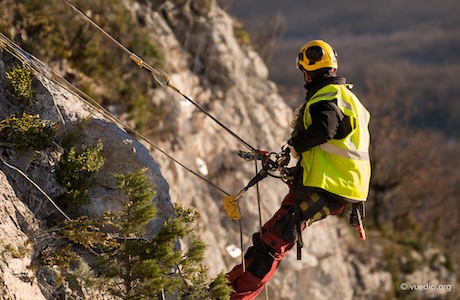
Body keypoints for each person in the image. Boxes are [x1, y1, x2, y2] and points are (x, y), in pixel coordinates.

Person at [226, 39, 371, 300]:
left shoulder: (325, 99)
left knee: (273, 243)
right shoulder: (350, 99)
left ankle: (235, 295)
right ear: (334, 69)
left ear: (306, 71)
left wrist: (295, 145)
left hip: (328, 186)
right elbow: (337, 143)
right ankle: (227, 288)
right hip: (341, 186)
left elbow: (325, 129)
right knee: (270, 238)